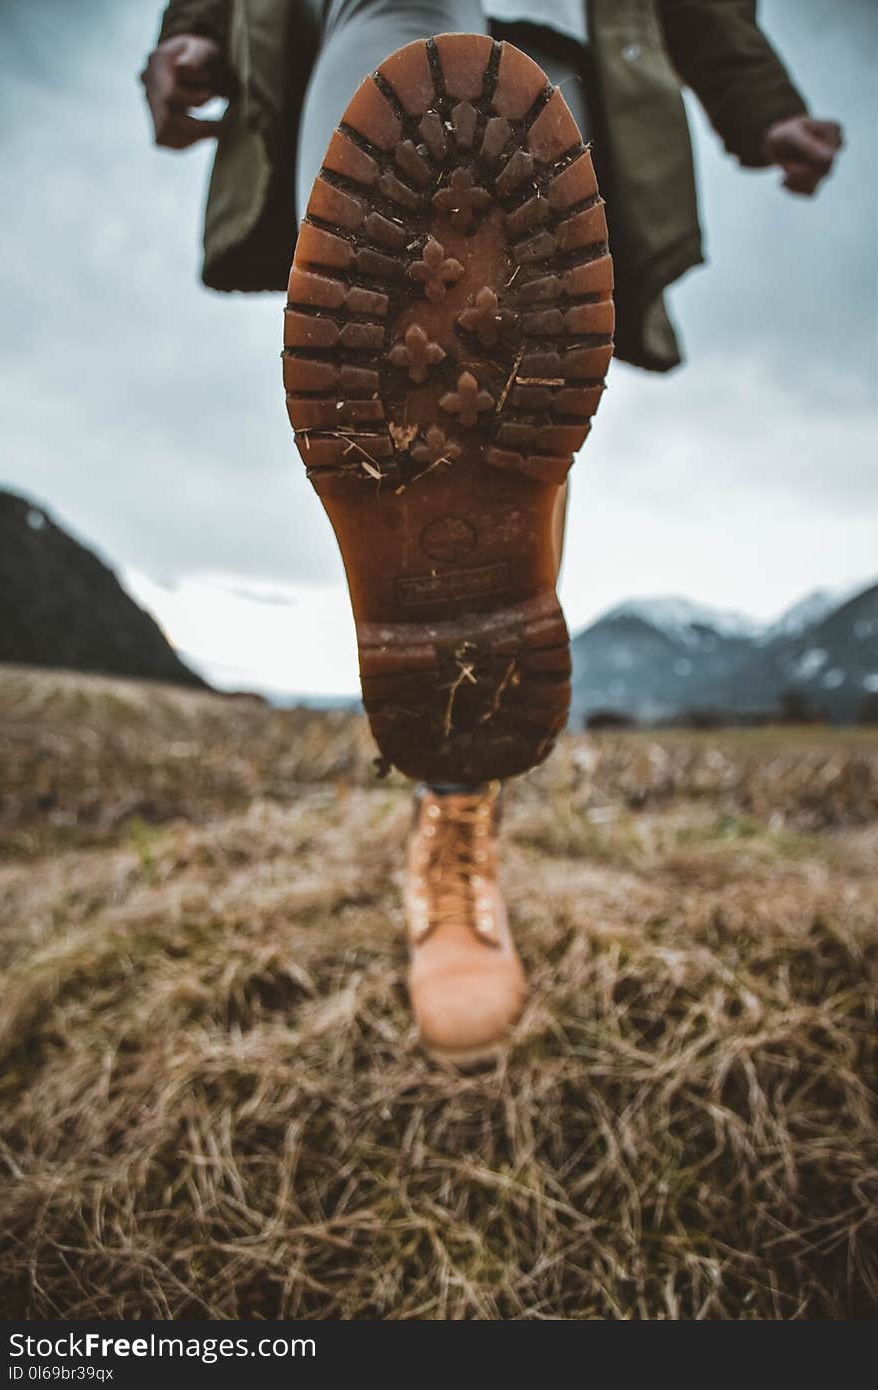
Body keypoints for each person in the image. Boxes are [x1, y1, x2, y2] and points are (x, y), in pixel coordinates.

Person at [142, 1, 842, 1066]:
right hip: (363, 13)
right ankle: (456, 809)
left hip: (561, 41)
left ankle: (455, 806)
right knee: (428, 348)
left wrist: (764, 108)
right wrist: (199, 27)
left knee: (504, 416)